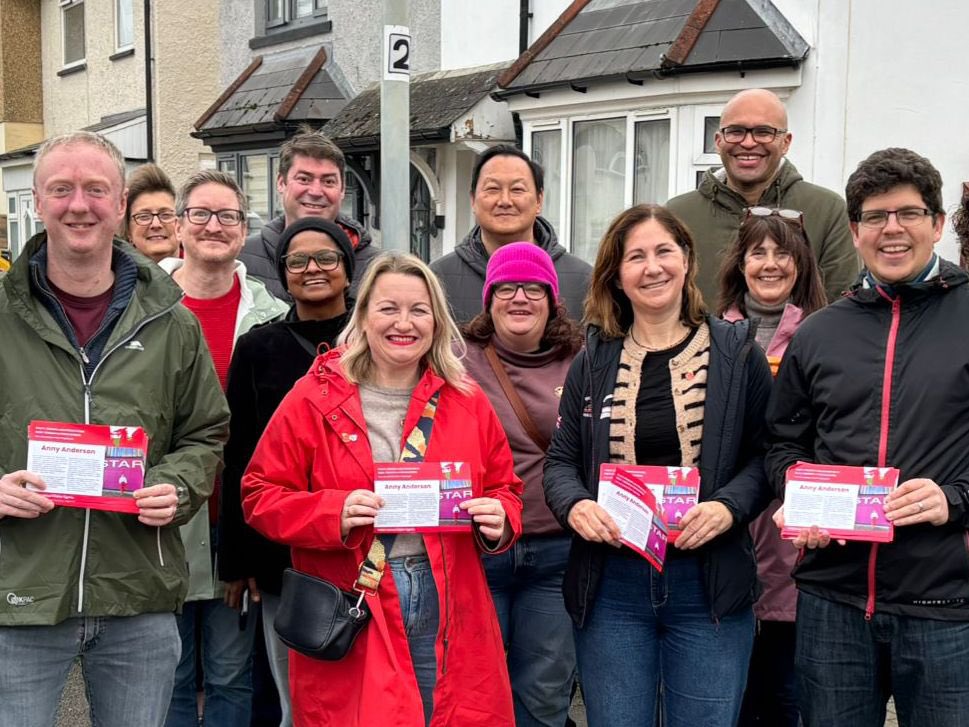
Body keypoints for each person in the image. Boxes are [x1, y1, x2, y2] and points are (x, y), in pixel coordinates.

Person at [0, 131, 229, 726]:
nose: (80, 205)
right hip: (16, 594)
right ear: (38, 198)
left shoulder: (172, 323)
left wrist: (177, 487)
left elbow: (205, 434)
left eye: (96, 189)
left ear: (121, 201)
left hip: (138, 593)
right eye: (62, 189)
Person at [241, 252, 524, 726]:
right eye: (389, 308)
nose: (404, 323)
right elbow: (259, 493)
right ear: (364, 315)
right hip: (352, 595)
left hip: (449, 596)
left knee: (448, 714)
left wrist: (499, 519)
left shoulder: (467, 400)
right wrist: (332, 512)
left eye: (418, 309)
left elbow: (505, 488)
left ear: (436, 320)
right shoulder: (315, 395)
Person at [544, 204, 773, 726]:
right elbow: (560, 461)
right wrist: (576, 504)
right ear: (617, 276)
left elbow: (767, 455)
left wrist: (728, 508)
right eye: (636, 257)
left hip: (708, 582)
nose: (653, 267)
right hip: (612, 586)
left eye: (664, 251)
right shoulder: (594, 359)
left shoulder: (737, 354)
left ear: (688, 260)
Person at [765, 148, 969, 727]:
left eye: (908, 213)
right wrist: (795, 498)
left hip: (946, 601)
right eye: (876, 217)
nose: (893, 229)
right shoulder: (820, 331)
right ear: (855, 232)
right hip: (834, 600)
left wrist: (953, 499)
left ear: (937, 223)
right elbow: (783, 444)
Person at [159, 170, 288, 727]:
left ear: (243, 231)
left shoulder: (271, 315)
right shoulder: (144, 308)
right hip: (163, 516)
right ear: (180, 227)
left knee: (234, 672)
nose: (215, 226)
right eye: (202, 215)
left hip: (237, 520)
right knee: (173, 671)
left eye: (228, 216)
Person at [218, 216, 356, 727]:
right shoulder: (258, 347)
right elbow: (239, 456)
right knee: (297, 696)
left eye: (326, 257)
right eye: (297, 261)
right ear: (283, 274)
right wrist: (237, 558)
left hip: (368, 539)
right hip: (283, 551)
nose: (312, 269)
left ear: (347, 268)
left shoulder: (378, 336)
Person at [461, 242, 583, 726]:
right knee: (474, 686)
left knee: (544, 692)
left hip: (556, 552)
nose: (519, 297)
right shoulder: (456, 359)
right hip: (479, 549)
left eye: (533, 287)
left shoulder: (581, 360)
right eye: (506, 287)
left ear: (552, 298)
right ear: (488, 298)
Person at [715, 209, 827, 727]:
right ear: (740, 263)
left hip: (796, 536)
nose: (770, 264)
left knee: (784, 696)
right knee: (724, 697)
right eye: (758, 252)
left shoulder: (826, 334)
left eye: (782, 252)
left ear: (801, 262)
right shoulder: (710, 335)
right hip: (724, 531)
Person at [667, 88, 858, 303]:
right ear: (718, 141)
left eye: (764, 132)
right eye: (736, 131)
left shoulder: (827, 211)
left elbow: (842, 308)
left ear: (785, 142)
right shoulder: (677, 216)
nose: (748, 142)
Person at [430, 145, 591, 322]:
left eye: (517, 190)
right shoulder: (438, 278)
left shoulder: (583, 280)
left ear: (539, 200)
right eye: (492, 189)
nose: (505, 201)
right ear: (473, 200)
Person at [239, 126, 378, 299]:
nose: (316, 191)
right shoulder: (241, 263)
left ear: (342, 189)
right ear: (281, 183)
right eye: (304, 179)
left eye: (328, 181)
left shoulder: (376, 268)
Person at [123, 163, 180, 262]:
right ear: (128, 231)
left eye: (166, 215)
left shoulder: (206, 272)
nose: (156, 224)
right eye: (144, 216)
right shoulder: (114, 275)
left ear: (180, 225)